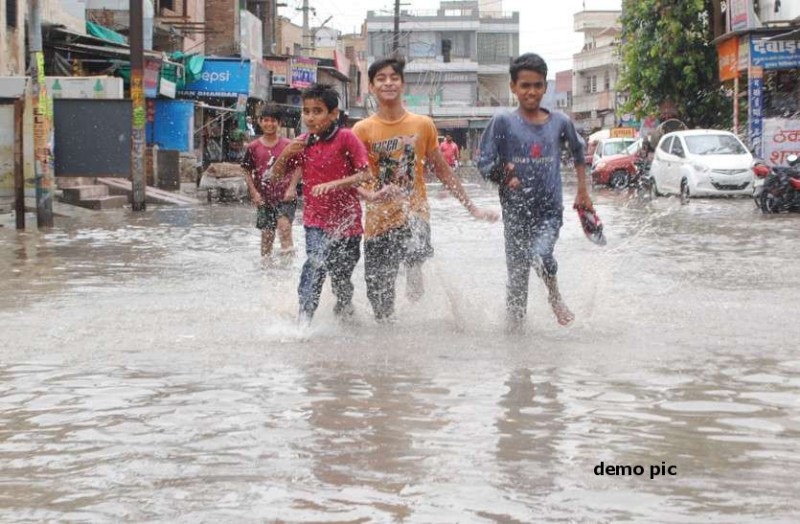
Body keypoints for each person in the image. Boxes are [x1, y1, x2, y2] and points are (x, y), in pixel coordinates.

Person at [352, 57, 497, 322]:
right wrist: (371, 195)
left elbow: (442, 170)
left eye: (393, 77)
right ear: (371, 87)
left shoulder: (422, 124)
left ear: (402, 84)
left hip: (413, 212)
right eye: (381, 79)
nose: (388, 83)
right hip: (377, 222)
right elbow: (354, 178)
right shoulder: (362, 129)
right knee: (380, 304)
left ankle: (414, 270)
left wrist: (472, 208)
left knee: (415, 258)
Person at [477, 53, 594, 332]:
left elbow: (579, 153)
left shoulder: (560, 122)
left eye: (538, 85)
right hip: (515, 212)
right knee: (517, 278)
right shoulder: (503, 122)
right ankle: (517, 346)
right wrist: (503, 175)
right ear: (513, 87)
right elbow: (484, 163)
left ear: (545, 87)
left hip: (548, 210)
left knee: (542, 255)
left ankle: (554, 296)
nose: (531, 92)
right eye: (525, 85)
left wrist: (582, 192)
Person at [271, 84, 371, 325]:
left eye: (317, 111)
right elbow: (274, 177)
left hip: (348, 223)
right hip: (315, 220)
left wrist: (335, 184)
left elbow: (365, 175)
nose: (310, 117)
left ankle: (344, 308)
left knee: (340, 279)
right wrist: (285, 154)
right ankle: (304, 320)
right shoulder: (302, 143)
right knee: (315, 264)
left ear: (333, 114)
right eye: (306, 111)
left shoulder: (346, 137)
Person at [241, 105, 296, 261]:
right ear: (260, 122)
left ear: (279, 123)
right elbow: (246, 170)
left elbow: (298, 167)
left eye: (273, 121)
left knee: (284, 228)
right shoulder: (253, 147)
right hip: (264, 197)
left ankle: (288, 268)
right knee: (267, 235)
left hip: (285, 195)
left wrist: (292, 188)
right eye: (266, 120)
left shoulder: (288, 145)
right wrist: (254, 193)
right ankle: (266, 270)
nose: (269, 124)